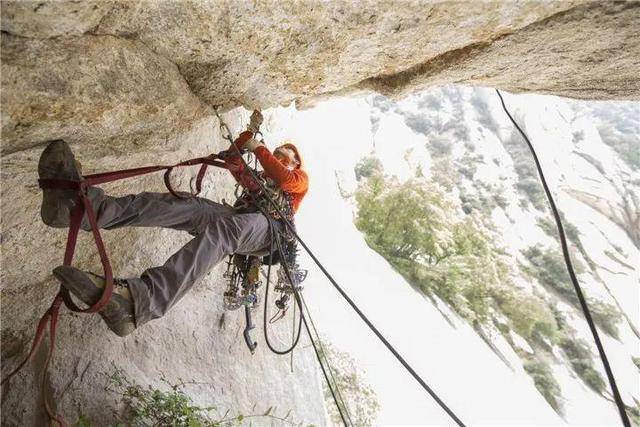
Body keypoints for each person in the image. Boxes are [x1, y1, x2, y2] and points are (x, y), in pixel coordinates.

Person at [43, 117, 308, 337]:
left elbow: (283, 178)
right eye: (277, 153)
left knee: (227, 231)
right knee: (184, 206)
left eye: (286, 156)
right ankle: (80, 210)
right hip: (239, 219)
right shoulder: (260, 180)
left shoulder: (299, 180)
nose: (279, 157)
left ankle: (142, 301)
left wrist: (258, 147)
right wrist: (244, 139)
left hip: (270, 230)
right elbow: (234, 163)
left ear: (296, 164)